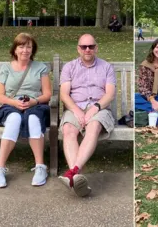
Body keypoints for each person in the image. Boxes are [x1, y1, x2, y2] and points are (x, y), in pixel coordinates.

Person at [0, 33, 52, 188]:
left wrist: (34, 101)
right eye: (21, 46)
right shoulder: (6, 68)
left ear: (33, 49)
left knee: (33, 119)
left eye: (29, 46)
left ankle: (40, 167)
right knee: (15, 118)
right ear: (15, 49)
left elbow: (48, 94)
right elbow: (0, 96)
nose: (25, 50)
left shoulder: (40, 67)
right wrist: (14, 102)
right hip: (11, 105)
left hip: (35, 105)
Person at [58, 34, 116, 197]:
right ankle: (77, 177)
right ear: (78, 49)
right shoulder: (69, 67)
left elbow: (109, 94)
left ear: (96, 48)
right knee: (68, 129)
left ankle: (72, 173)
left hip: (100, 108)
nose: (88, 49)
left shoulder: (106, 67)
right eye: (84, 47)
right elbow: (64, 94)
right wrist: (76, 110)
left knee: (94, 126)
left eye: (91, 46)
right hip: (75, 106)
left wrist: (95, 108)